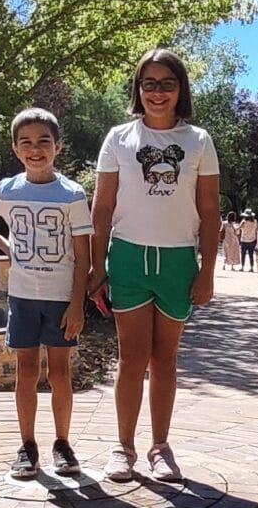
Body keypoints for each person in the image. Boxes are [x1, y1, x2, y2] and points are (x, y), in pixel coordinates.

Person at [89, 48, 218, 483]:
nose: (157, 92)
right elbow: (102, 206)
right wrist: (97, 265)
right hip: (128, 256)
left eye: (167, 84)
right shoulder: (119, 138)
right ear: (138, 89)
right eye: (149, 84)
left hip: (178, 260)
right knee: (131, 357)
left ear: (180, 89)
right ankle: (123, 447)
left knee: (165, 358)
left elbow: (210, 210)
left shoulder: (198, 140)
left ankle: (160, 447)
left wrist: (207, 271)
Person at [0, 107, 96, 480]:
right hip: (23, 296)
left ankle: (62, 443)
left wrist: (77, 304)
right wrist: (8, 247)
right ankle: (27, 446)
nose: (35, 149)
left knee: (59, 373)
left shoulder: (71, 194)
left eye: (43, 141)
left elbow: (83, 255)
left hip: (60, 299)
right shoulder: (7, 190)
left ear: (58, 146)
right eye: (25, 142)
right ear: (15, 148)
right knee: (26, 372)